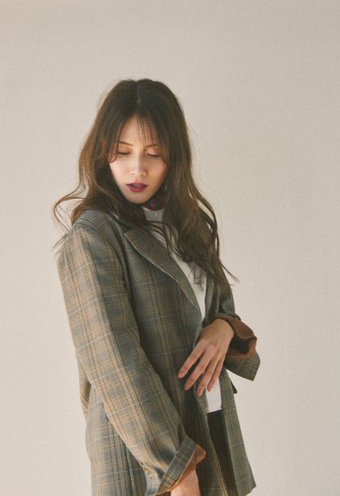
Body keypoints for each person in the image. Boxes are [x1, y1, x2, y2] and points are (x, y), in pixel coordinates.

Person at [52, 78, 260, 496]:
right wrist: (177, 470)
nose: (137, 169)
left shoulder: (188, 226)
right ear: (103, 153)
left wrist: (223, 328)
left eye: (153, 154)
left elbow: (220, 309)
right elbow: (114, 363)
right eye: (122, 152)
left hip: (211, 426)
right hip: (148, 455)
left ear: (173, 157)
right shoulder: (94, 237)